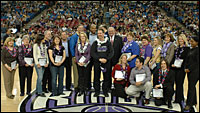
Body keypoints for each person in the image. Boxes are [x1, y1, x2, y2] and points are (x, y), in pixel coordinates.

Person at [91, 28, 114, 97]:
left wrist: (106, 59)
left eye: (101, 33)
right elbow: (93, 52)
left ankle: (105, 91)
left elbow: (111, 52)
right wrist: (99, 59)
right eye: (98, 33)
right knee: (96, 77)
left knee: (106, 77)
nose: (99, 34)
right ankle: (97, 91)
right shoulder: (95, 43)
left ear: (104, 34)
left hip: (106, 63)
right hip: (97, 63)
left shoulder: (108, 43)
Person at [171, 34, 190, 107]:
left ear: (184, 40)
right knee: (176, 83)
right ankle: (179, 97)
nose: (180, 40)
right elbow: (174, 57)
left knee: (179, 83)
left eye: (181, 39)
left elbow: (186, 60)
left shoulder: (187, 49)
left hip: (181, 69)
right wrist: (172, 64)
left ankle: (178, 99)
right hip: (175, 67)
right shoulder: (177, 48)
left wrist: (182, 66)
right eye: (179, 39)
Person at [184, 36, 199, 111]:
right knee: (192, 86)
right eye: (190, 41)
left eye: (192, 41)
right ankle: (194, 101)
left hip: (195, 71)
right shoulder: (191, 49)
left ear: (197, 42)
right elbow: (187, 60)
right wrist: (186, 68)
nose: (191, 42)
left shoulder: (197, 50)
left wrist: (189, 68)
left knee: (191, 87)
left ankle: (189, 104)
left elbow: (197, 63)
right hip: (189, 71)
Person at [70, 25, 85, 92]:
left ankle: (82, 86)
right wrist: (74, 57)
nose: (81, 30)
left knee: (82, 73)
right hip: (76, 57)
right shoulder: (73, 37)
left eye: (82, 29)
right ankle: (76, 86)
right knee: (76, 73)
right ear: (77, 29)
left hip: (83, 58)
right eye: (80, 28)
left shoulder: (84, 36)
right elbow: (71, 47)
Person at [75, 32, 91, 96]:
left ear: (85, 37)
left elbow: (89, 54)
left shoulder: (88, 45)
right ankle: (81, 89)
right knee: (80, 76)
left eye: (83, 37)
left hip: (86, 63)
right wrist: (78, 61)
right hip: (79, 63)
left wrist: (84, 62)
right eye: (81, 37)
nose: (82, 38)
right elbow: (76, 54)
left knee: (86, 76)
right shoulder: (77, 45)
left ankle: (85, 89)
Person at [87, 24, 97, 90]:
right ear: (90, 28)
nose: (93, 29)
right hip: (88, 55)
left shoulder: (98, 35)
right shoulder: (87, 34)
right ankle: (88, 86)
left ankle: (96, 86)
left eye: (95, 28)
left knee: (96, 71)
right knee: (88, 71)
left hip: (96, 55)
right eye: (92, 28)